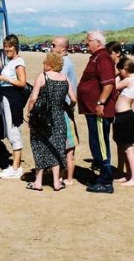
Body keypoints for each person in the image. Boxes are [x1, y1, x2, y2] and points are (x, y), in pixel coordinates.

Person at [26, 52, 77, 192]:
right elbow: (73, 99)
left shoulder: (43, 77)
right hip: (59, 118)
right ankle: (56, 182)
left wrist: (29, 113)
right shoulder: (65, 78)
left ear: (50, 64)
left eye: (45, 62)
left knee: (39, 147)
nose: (43, 64)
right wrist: (66, 108)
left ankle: (38, 182)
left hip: (42, 118)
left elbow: (33, 98)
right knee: (57, 149)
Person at [77, 30, 116, 193]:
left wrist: (100, 103)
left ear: (98, 42)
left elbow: (108, 84)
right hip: (92, 110)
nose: (87, 43)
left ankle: (106, 180)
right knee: (95, 143)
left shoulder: (103, 57)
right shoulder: (96, 57)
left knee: (100, 144)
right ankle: (101, 175)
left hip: (99, 111)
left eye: (89, 40)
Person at [0, 34, 27, 179]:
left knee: (13, 131)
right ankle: (16, 165)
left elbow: (22, 82)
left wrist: (5, 79)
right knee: (10, 130)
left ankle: (15, 167)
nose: (7, 49)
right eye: (5, 46)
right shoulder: (10, 62)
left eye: (9, 46)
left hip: (13, 99)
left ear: (15, 47)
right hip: (7, 97)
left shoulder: (18, 62)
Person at [51, 36, 78, 185]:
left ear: (63, 48)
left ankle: (65, 177)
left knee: (65, 146)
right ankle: (62, 175)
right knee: (65, 146)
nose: (51, 47)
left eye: (54, 45)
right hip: (66, 107)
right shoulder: (66, 62)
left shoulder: (64, 64)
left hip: (63, 109)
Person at [113, 57, 134, 187]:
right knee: (125, 147)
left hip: (125, 116)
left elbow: (113, 86)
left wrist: (117, 75)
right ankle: (129, 175)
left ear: (125, 69)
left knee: (128, 149)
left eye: (120, 70)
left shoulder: (130, 80)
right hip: (124, 116)